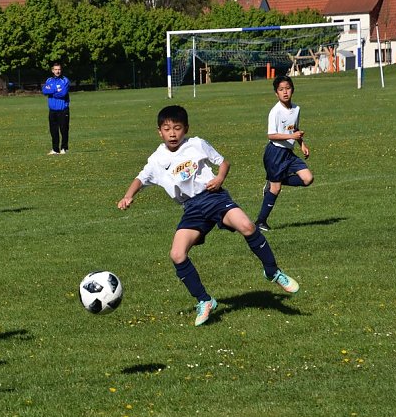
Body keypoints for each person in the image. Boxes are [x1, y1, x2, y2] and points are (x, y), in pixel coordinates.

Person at [117, 105, 299, 327]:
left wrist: (220, 178)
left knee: (247, 226)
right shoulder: (156, 159)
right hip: (191, 208)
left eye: (177, 128)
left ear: (186, 129)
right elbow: (140, 179)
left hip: (214, 197)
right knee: (177, 254)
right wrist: (128, 196)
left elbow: (223, 162)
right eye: (167, 129)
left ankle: (272, 272)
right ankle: (205, 301)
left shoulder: (196, 144)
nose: (172, 133)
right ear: (159, 132)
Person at [255, 75, 314, 231]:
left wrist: (302, 144)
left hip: (288, 153)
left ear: (292, 90)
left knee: (308, 179)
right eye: (281, 90)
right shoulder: (275, 112)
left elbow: (295, 128)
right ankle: (260, 222)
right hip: (275, 153)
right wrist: (291, 137)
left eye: (287, 88)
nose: (285, 92)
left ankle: (275, 180)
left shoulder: (296, 109)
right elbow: (271, 135)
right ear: (276, 93)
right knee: (276, 189)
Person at [42, 62, 70, 155]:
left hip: (63, 110)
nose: (57, 71)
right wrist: (55, 90)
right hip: (52, 110)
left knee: (64, 129)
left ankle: (64, 148)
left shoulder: (65, 80)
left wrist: (51, 91)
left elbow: (63, 93)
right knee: (53, 131)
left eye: (59, 69)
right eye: (56, 69)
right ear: (52, 70)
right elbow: (44, 91)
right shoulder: (49, 80)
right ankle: (55, 149)